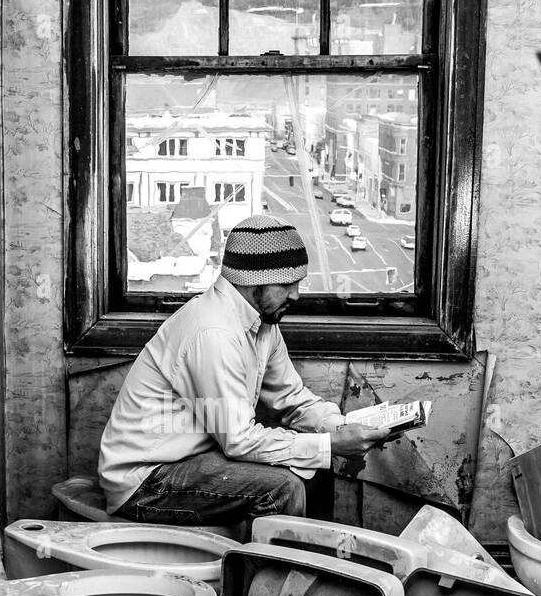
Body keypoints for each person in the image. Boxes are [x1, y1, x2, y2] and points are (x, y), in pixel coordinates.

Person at [98, 214, 389, 531]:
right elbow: (239, 441)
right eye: (287, 284)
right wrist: (331, 445)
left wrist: (343, 427)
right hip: (146, 479)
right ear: (254, 281)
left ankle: (313, 571)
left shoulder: (263, 324)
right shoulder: (213, 332)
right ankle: (269, 582)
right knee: (285, 486)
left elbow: (290, 398)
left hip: (194, 459)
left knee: (315, 467)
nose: (296, 295)